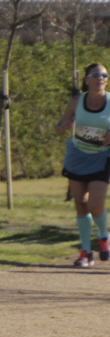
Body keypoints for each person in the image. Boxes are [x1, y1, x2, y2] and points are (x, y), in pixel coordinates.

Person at [56, 62, 110, 267]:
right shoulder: (76, 101)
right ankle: (86, 252)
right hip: (78, 155)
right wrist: (65, 126)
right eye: (96, 75)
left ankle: (104, 236)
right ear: (87, 80)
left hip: (102, 157)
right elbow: (59, 126)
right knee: (80, 204)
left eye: (104, 75)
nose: (101, 79)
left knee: (95, 205)